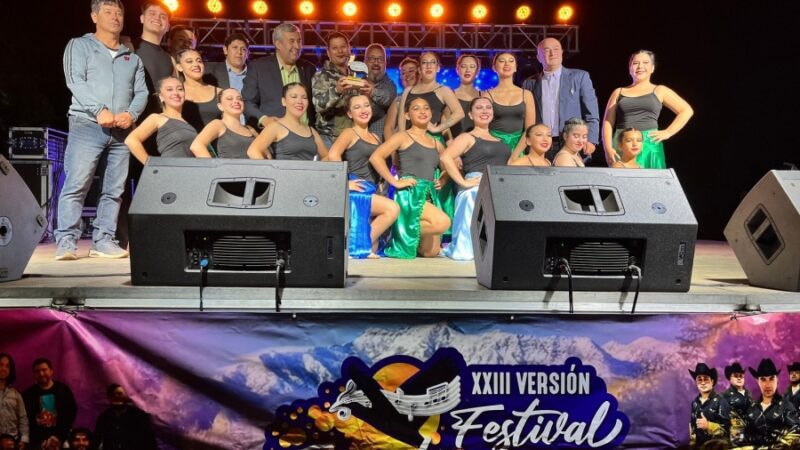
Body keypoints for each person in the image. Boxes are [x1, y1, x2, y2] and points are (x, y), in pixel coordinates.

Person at [55, 0, 147, 261]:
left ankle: (103, 240)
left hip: (121, 132)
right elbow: (75, 80)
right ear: (94, 17)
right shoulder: (80, 45)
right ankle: (66, 241)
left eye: (119, 13)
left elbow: (141, 92)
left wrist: (131, 114)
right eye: (108, 12)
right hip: (87, 125)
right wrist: (99, 110)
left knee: (114, 190)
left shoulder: (132, 58)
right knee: (77, 184)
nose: (115, 17)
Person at [370, 97, 451, 258]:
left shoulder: (436, 143)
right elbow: (376, 157)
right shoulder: (403, 137)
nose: (422, 111)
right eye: (416, 108)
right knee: (443, 222)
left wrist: (442, 180)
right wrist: (394, 181)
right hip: (411, 194)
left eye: (426, 108)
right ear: (407, 115)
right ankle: (397, 230)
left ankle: (403, 229)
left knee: (430, 252)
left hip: (429, 197)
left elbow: (448, 168)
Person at [328, 95, 399, 258]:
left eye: (366, 105)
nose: (363, 110)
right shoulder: (349, 133)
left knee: (374, 248)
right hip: (358, 190)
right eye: (357, 107)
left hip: (371, 190)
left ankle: (360, 244)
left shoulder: (375, 137)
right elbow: (333, 155)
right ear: (349, 114)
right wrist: (344, 182)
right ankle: (354, 246)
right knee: (392, 209)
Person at [440, 97, 509, 260]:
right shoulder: (467, 137)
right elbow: (445, 157)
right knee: (474, 194)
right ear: (470, 114)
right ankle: (469, 250)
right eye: (479, 108)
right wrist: (462, 182)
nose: (484, 111)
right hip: (477, 184)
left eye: (488, 107)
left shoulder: (501, 140)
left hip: (499, 184)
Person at [602, 50, 694, 168]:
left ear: (652, 68)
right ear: (630, 68)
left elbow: (686, 110)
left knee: (652, 178)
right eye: (635, 63)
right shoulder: (619, 92)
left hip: (649, 143)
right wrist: (607, 147)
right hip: (624, 143)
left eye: (645, 62)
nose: (640, 66)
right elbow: (608, 122)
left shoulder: (660, 90)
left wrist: (668, 132)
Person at [524, 37, 600, 161]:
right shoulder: (530, 83)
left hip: (571, 143)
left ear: (562, 52)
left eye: (556, 49)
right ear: (538, 57)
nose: (552, 53)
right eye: (546, 50)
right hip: (540, 145)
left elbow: (591, 113)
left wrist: (591, 140)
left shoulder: (580, 77)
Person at [243, 23, 316, 129]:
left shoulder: (309, 69)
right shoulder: (258, 68)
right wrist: (264, 120)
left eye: (299, 41)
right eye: (292, 41)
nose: (297, 46)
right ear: (278, 44)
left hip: (305, 133)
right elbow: (247, 102)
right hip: (273, 134)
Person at [124, 77, 197, 163]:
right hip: (170, 169)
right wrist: (150, 165)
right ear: (161, 97)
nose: (176, 93)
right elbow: (131, 140)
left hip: (190, 169)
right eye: (169, 89)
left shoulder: (188, 124)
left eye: (180, 89)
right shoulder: (157, 118)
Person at [247, 83, 327, 161]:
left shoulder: (311, 131)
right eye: (294, 97)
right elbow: (253, 151)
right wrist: (268, 169)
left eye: (304, 98)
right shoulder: (275, 127)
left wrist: (318, 169)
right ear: (283, 101)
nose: (300, 101)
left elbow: (327, 157)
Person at [397, 51, 464, 143]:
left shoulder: (444, 90)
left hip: (432, 142)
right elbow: (401, 120)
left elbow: (459, 113)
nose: (428, 66)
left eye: (433, 62)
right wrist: (401, 142)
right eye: (424, 62)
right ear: (419, 69)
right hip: (409, 141)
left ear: (438, 68)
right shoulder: (408, 90)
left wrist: (437, 129)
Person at [312, 32, 363, 148]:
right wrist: (336, 90)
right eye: (335, 48)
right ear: (328, 53)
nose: (340, 51)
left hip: (351, 137)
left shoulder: (353, 76)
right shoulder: (322, 75)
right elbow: (318, 105)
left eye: (343, 47)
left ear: (349, 49)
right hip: (329, 138)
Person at [736, 358, 800, 448]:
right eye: (763, 379)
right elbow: (740, 438)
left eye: (771, 379)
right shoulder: (752, 409)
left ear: (777, 380)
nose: (768, 385)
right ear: (757, 381)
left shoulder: (786, 406)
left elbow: (796, 435)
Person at [484, 52, 535, 157]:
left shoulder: (526, 94)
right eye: (502, 61)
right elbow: (483, 128)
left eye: (511, 61)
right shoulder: (487, 95)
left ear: (515, 67)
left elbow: (530, 129)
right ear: (494, 67)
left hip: (519, 149)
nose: (507, 64)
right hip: (494, 148)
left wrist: (515, 155)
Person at [22, 359, 77, 449]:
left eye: (44, 370)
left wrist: (59, 437)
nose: (41, 374)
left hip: (61, 437)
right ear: (34, 374)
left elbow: (70, 414)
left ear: (51, 371)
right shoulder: (28, 394)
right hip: (37, 441)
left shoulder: (63, 390)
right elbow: (26, 419)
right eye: (37, 371)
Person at [190, 88, 257, 159]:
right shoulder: (218, 124)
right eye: (229, 98)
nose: (236, 101)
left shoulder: (250, 129)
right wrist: (213, 165)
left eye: (239, 99)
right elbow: (196, 146)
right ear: (220, 106)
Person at [94, 384, 157, 450]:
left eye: (120, 394)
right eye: (112, 394)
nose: (116, 396)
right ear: (109, 398)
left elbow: (150, 441)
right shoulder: (104, 417)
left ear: (126, 395)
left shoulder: (139, 416)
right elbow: (97, 440)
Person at [176, 48, 221, 133]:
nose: (196, 64)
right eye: (189, 61)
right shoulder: (176, 93)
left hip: (218, 140)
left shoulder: (220, 92)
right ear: (179, 67)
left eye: (199, 61)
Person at [688, 363, 730, 449]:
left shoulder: (721, 401)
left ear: (712, 381)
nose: (703, 383)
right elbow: (693, 429)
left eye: (706, 379)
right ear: (696, 382)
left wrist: (708, 426)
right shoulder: (695, 403)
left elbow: (727, 431)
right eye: (699, 380)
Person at [363, 44, 397, 140]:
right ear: (365, 62)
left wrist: (372, 91)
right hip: (357, 142)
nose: (376, 62)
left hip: (381, 143)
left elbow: (387, 98)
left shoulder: (390, 86)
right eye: (372, 59)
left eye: (380, 59)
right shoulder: (357, 85)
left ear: (385, 64)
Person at [383, 57, 420, 141]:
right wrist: (392, 148)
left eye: (411, 71)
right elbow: (388, 128)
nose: (407, 75)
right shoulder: (398, 100)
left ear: (419, 73)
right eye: (403, 73)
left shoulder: (430, 95)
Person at [447, 54, 482, 139]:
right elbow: (445, 123)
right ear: (457, 69)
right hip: (455, 143)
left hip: (478, 143)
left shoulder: (483, 96)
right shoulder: (449, 94)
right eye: (463, 66)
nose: (468, 70)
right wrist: (450, 142)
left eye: (472, 66)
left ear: (477, 71)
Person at [0, 354, 28, 449]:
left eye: (7, 366)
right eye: (0, 365)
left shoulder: (16, 394)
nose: (3, 368)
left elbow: (23, 418)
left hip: (13, 441)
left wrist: (24, 440)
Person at [721, 362, 752, 444]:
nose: (739, 378)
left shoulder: (748, 394)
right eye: (735, 376)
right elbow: (724, 419)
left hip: (751, 433)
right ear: (730, 378)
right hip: (736, 433)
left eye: (741, 376)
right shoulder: (725, 396)